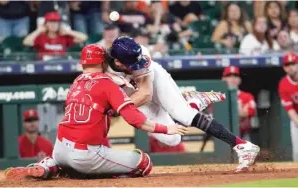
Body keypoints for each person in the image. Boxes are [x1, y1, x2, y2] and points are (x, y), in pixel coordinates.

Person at [5, 44, 188, 180]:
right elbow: (134, 119)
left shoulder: (76, 82)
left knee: (72, 163)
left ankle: (49, 166)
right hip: (85, 153)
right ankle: (95, 173)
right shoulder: (107, 82)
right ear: (103, 62)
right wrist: (166, 129)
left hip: (59, 148)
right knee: (144, 163)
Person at [106, 36, 260, 172]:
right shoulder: (102, 65)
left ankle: (243, 146)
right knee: (172, 139)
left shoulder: (142, 56)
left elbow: (146, 93)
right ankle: (189, 103)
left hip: (153, 82)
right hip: (131, 93)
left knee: (183, 114)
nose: (136, 64)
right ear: (118, 62)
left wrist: (116, 109)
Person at [23, 11, 88, 61]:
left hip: (61, 62)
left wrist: (69, 31)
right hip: (44, 64)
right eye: (50, 22)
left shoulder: (64, 36)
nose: (53, 24)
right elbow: (26, 42)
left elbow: (84, 38)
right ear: (46, 24)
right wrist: (38, 31)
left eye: (56, 22)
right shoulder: (40, 36)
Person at [222, 66, 257, 141]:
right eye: (229, 76)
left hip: (242, 135)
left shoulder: (247, 96)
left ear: (239, 79)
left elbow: (249, 112)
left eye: (235, 76)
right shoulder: (217, 96)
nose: (232, 79)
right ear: (223, 79)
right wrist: (239, 111)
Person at [278, 52, 298, 162]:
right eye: (287, 65)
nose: (290, 67)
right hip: (296, 119)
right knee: (297, 153)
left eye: (293, 63)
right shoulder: (284, 84)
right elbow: (290, 110)